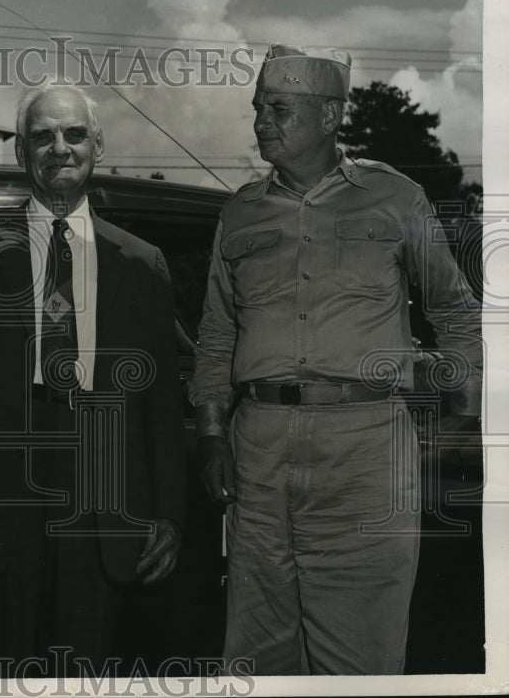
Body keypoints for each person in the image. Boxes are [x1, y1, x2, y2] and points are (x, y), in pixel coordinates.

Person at [189, 44, 483, 675]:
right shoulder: (239, 210)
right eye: (258, 107)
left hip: (366, 453)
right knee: (257, 658)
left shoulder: (396, 199)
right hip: (256, 454)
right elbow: (216, 334)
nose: (261, 121)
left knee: (359, 660)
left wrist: (458, 423)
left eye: (279, 108)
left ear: (329, 117)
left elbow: (457, 313)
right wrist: (212, 432)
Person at [0, 81, 184, 674]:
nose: (60, 147)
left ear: (98, 146)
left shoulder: (142, 262)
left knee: (83, 668)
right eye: (43, 136)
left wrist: (169, 512)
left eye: (74, 134)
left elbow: (161, 402)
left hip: (103, 497)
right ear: (21, 152)